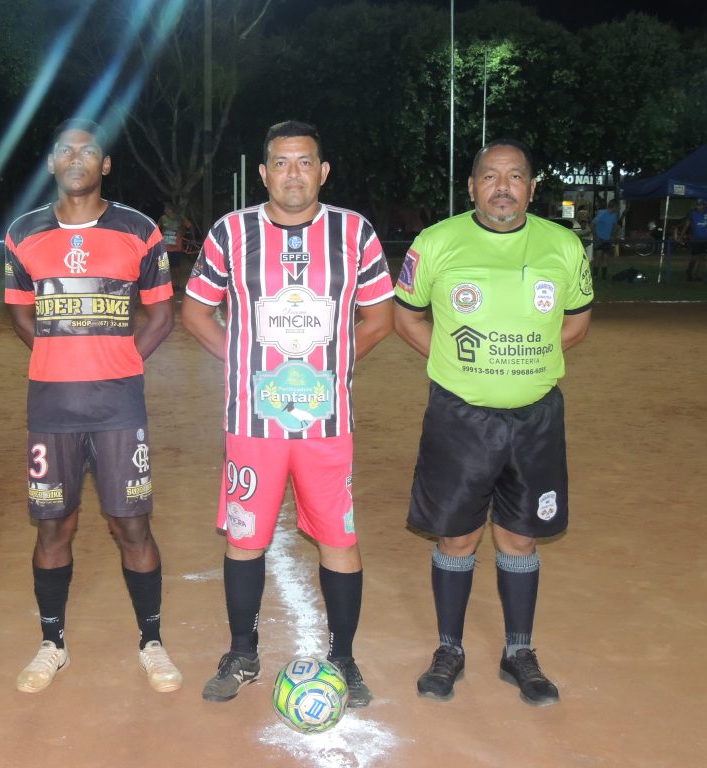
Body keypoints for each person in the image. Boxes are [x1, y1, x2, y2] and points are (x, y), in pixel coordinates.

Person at [182, 120, 394, 708]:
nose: (293, 174)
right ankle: (242, 653)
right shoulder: (231, 232)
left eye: (304, 163)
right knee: (246, 536)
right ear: (263, 173)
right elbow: (196, 312)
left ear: (323, 172)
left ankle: (343, 658)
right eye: (280, 163)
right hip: (254, 422)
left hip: (327, 422)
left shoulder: (354, 232)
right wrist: (243, 363)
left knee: (339, 537)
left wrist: (336, 367)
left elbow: (379, 317)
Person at [393, 138, 593, 707]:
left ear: (532, 187)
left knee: (520, 535)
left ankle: (518, 652)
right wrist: (458, 366)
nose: (502, 187)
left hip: (536, 418)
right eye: (490, 176)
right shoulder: (436, 242)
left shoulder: (562, 245)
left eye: (515, 176)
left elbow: (577, 323)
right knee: (456, 534)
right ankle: (449, 649)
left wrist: (526, 364)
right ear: (472, 186)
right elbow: (406, 318)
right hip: (460, 417)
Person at [4, 118, 181, 694]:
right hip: (51, 406)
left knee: (131, 524)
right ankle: (51, 644)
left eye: (88, 151)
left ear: (104, 164)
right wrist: (61, 356)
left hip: (117, 407)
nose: (75, 158)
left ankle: (152, 642)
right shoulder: (23, 233)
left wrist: (119, 361)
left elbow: (162, 315)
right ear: (52, 162)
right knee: (53, 525)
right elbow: (21, 314)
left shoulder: (139, 230)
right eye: (65, 150)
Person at [157, 202, 192, 290]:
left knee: (176, 268)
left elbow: (190, 226)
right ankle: (165, 285)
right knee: (163, 267)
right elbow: (156, 228)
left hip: (176, 247)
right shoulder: (162, 218)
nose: (164, 210)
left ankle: (177, 285)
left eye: (166, 208)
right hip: (165, 247)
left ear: (170, 209)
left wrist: (192, 237)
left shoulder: (180, 218)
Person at [590, 198, 620, 280]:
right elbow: (592, 225)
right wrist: (596, 236)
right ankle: (595, 276)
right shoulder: (602, 214)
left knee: (606, 258)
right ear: (614, 207)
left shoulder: (614, 215)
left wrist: (613, 234)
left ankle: (603, 277)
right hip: (599, 239)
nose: (618, 209)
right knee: (598, 257)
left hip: (607, 240)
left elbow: (615, 225)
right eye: (617, 207)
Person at [679, 198, 707, 281]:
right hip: (695, 239)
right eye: (698, 205)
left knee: (702, 257)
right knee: (694, 257)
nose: (699, 207)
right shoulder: (692, 213)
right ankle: (689, 270)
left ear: (705, 205)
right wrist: (681, 236)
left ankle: (699, 275)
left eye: (701, 205)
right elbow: (687, 224)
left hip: (705, 239)